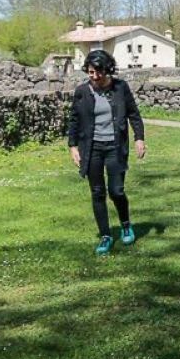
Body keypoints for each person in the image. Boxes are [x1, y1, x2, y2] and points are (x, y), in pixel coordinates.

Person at [66, 49, 146, 256]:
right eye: (90, 72)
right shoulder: (82, 91)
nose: (93, 76)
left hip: (114, 146)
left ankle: (126, 224)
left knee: (116, 190)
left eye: (97, 72)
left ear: (107, 69)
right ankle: (105, 235)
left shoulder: (120, 88)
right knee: (97, 192)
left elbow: (133, 114)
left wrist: (139, 138)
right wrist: (73, 147)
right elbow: (74, 120)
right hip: (91, 148)